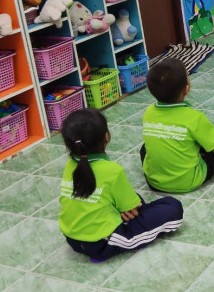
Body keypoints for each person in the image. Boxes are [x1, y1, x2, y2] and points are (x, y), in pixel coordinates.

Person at [58, 109, 183, 263]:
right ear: (107, 136)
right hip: (101, 242)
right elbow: (133, 208)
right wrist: (128, 209)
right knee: (173, 207)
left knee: (133, 198)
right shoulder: (112, 170)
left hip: (71, 238)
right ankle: (105, 251)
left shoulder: (69, 165)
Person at [141, 58, 214, 193]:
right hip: (188, 182)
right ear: (186, 89)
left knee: (145, 148)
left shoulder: (149, 112)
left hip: (154, 182)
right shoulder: (194, 117)